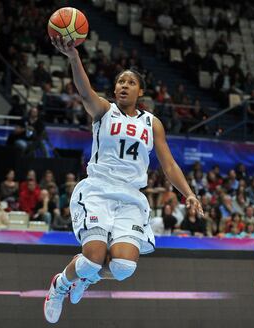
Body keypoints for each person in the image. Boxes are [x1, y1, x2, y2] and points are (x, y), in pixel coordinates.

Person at [43, 36, 204, 324]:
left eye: (130, 82)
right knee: (92, 257)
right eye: (120, 82)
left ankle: (86, 279)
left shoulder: (151, 122)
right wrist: (73, 58)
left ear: (140, 91)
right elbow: (84, 90)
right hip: (99, 190)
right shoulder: (104, 110)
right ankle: (61, 285)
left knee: (123, 267)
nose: (123, 86)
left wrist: (188, 193)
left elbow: (168, 164)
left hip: (131, 196)